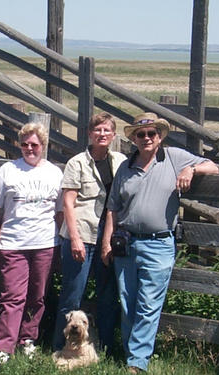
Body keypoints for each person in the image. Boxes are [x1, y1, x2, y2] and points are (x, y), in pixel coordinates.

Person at [101, 112, 219, 373]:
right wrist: (106, 242)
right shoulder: (125, 167)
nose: (146, 138)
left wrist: (192, 169)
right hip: (126, 242)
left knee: (148, 303)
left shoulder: (173, 158)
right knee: (128, 301)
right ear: (133, 139)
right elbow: (113, 208)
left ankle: (136, 363)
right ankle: (132, 353)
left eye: (151, 134)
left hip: (159, 243)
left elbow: (213, 166)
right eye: (140, 134)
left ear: (160, 136)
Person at [0, 122, 63, 364]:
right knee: (12, 297)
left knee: (37, 296)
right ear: (20, 145)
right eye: (25, 144)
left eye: (35, 145)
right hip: (13, 244)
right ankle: (5, 347)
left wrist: (61, 240)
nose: (30, 148)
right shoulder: (8, 170)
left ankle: (27, 339)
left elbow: (60, 211)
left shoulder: (54, 173)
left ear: (43, 146)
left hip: (45, 243)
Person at [52, 112, 127, 357]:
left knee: (107, 296)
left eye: (106, 130)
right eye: (97, 130)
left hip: (108, 238)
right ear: (89, 134)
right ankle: (61, 348)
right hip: (82, 235)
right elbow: (68, 204)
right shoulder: (77, 163)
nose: (102, 134)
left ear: (113, 135)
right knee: (73, 295)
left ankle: (103, 348)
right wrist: (73, 238)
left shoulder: (121, 161)